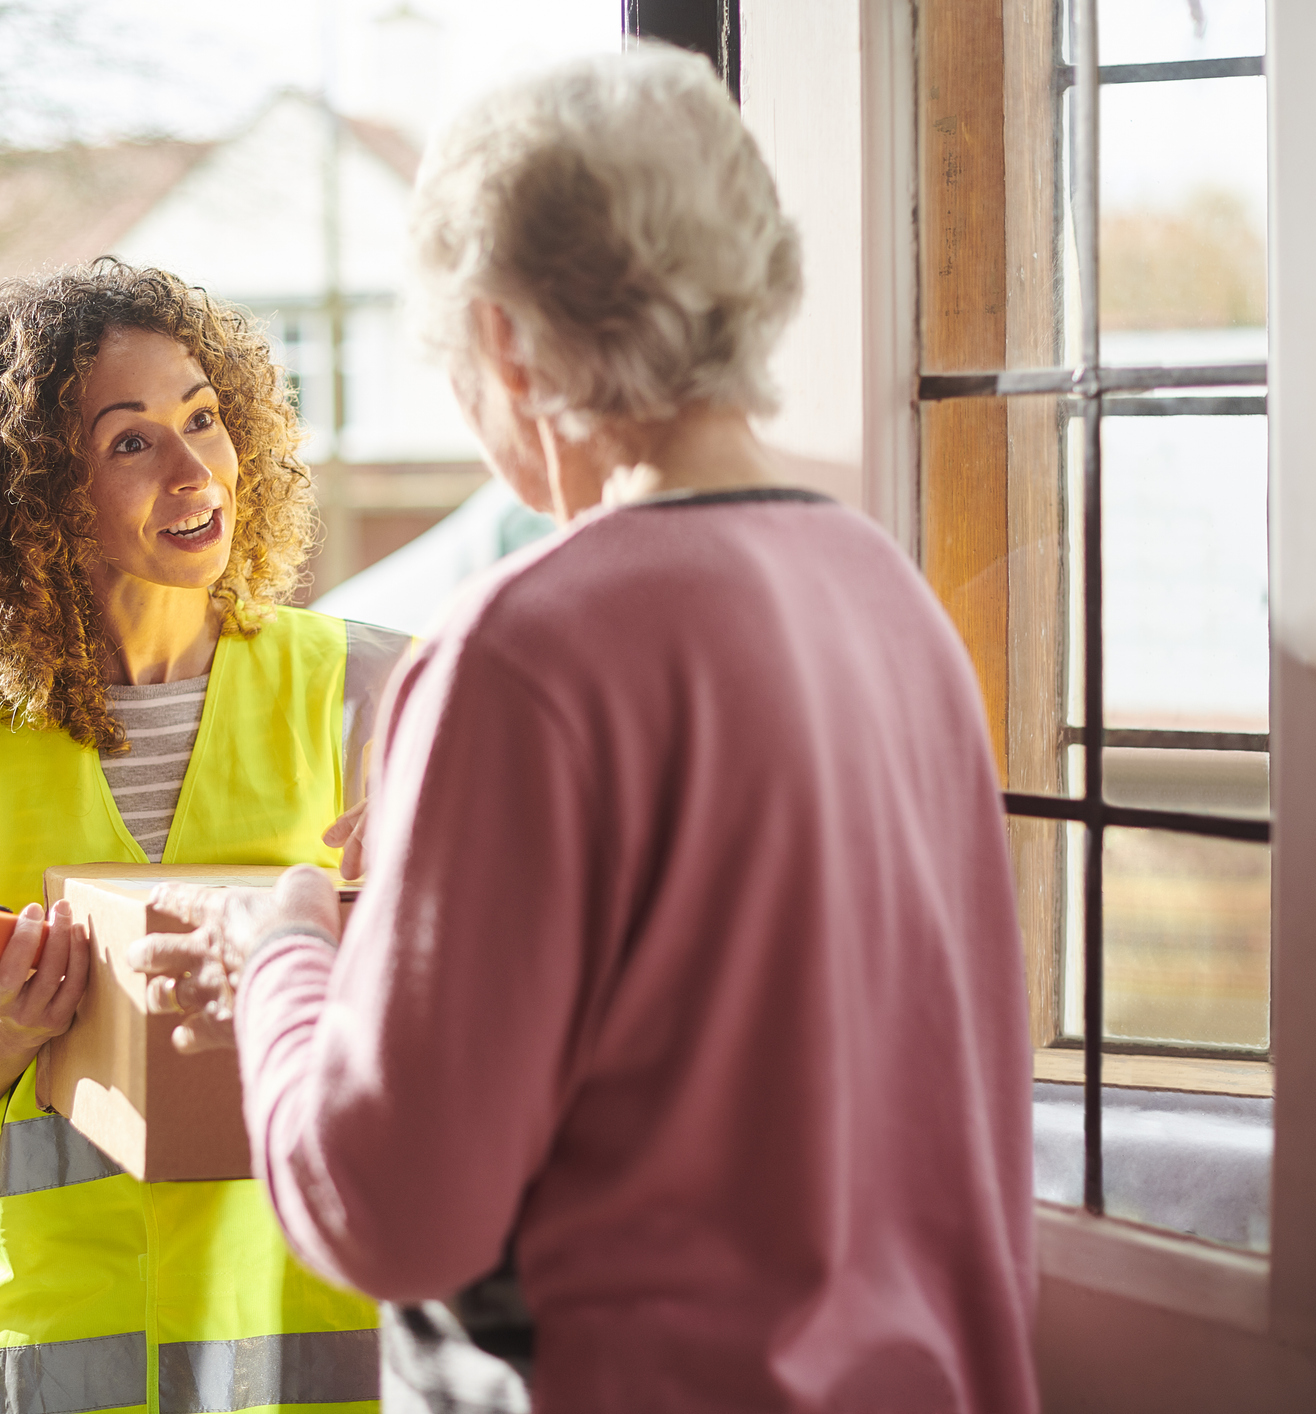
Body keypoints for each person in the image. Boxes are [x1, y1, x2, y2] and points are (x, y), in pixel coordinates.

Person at [133, 46, 1039, 1414]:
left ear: (501, 338)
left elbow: (388, 1209)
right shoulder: (887, 597)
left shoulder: (522, 651)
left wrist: (285, 956)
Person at [0, 261, 402, 1414]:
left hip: (311, 1340)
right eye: (131, 442)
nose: (197, 471)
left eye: (204, 417)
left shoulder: (369, 690)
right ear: (38, 491)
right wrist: (2, 1031)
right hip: (54, 1360)